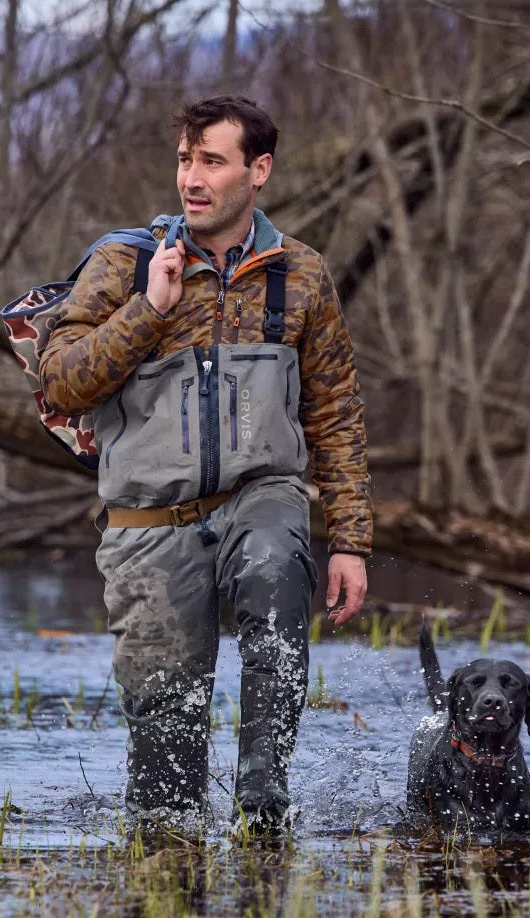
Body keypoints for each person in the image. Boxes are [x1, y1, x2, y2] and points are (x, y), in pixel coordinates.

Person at [39, 95, 372, 831]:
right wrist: (146, 311)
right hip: (147, 526)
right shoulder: (123, 264)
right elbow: (59, 382)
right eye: (186, 160)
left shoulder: (301, 276)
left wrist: (349, 540)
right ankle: (172, 893)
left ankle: (263, 806)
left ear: (259, 171)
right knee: (165, 794)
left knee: (277, 575)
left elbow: (336, 413)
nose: (192, 177)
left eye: (211, 161)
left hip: (261, 498)